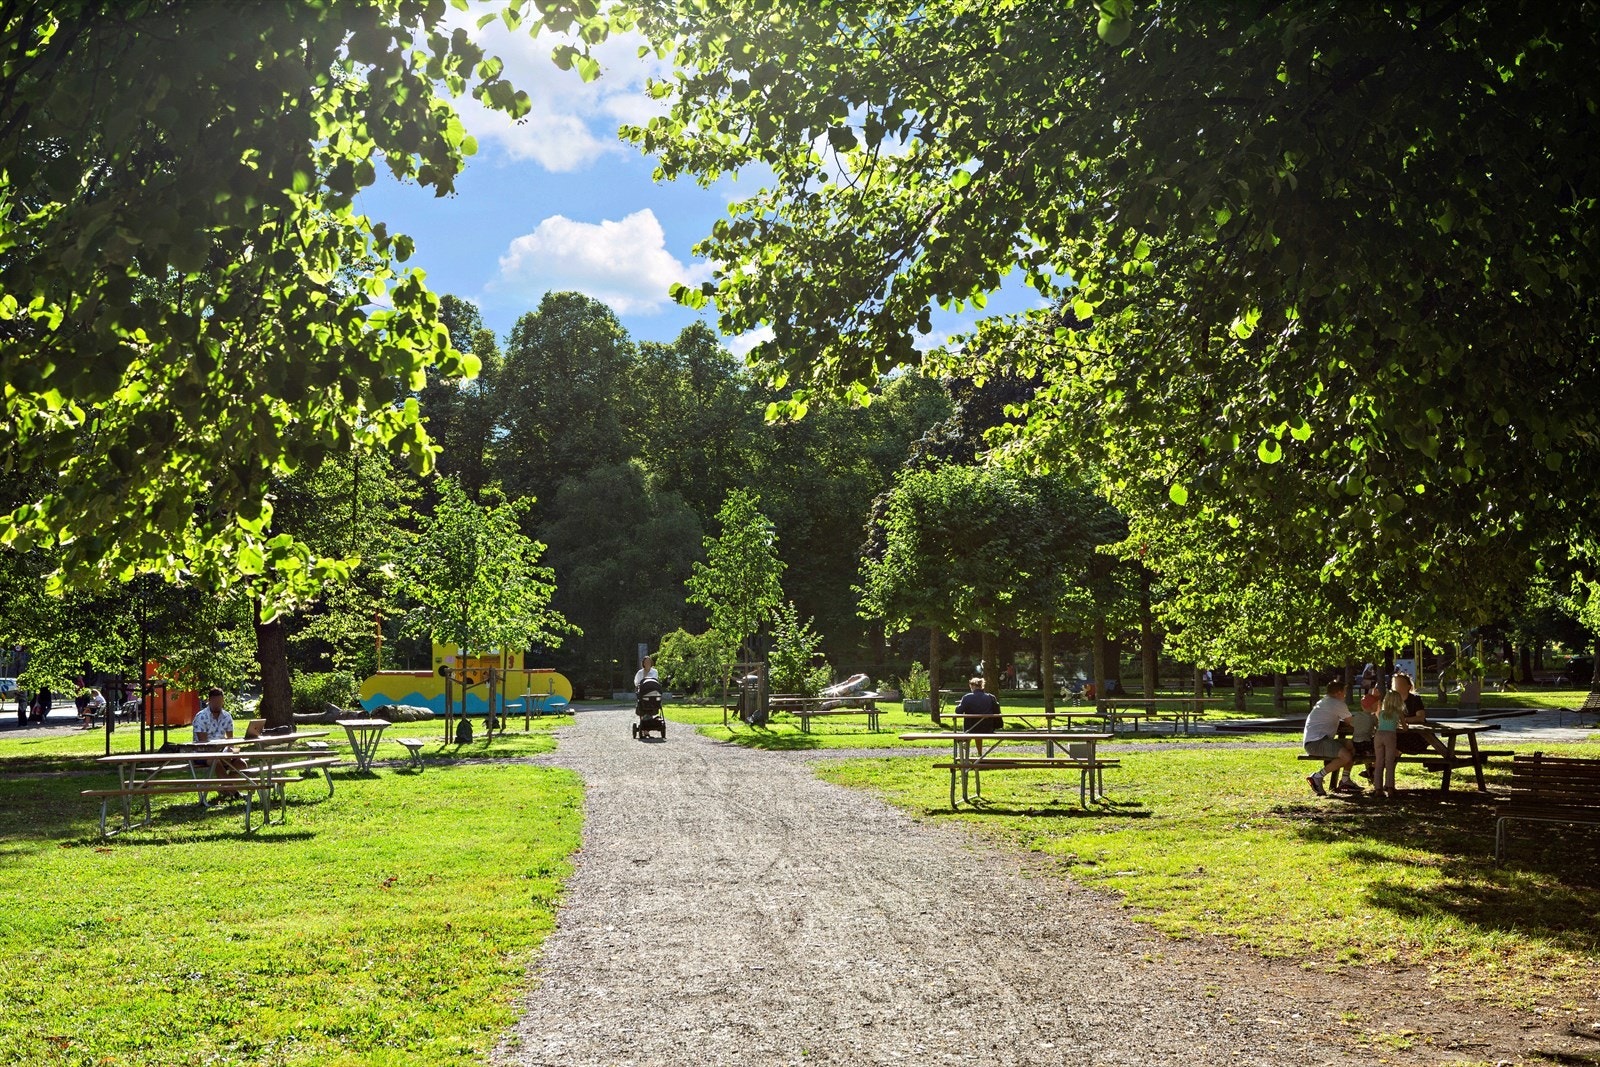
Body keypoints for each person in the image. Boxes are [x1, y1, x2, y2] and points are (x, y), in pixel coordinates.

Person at [1302, 678, 1353, 796]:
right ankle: (1317, 777)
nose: (1345, 695)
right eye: (1344, 692)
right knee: (1346, 756)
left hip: (1317, 741)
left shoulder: (1324, 701)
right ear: (1339, 693)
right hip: (1316, 743)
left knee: (1352, 745)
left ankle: (1345, 781)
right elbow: (1352, 722)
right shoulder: (1336, 703)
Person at [192, 687, 241, 799]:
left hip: (221, 752)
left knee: (241, 763)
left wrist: (230, 750)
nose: (217, 704)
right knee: (215, 760)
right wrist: (221, 754)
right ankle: (234, 792)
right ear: (209, 701)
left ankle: (224, 788)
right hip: (201, 753)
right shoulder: (201, 717)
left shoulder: (227, 716)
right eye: (214, 701)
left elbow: (230, 740)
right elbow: (203, 743)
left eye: (219, 701)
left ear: (223, 701)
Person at [1337, 684, 1377, 791]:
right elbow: (1378, 727)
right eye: (1376, 705)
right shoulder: (1373, 718)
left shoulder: (1358, 716)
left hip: (1355, 743)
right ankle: (1372, 771)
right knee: (1378, 747)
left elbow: (1352, 724)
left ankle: (1369, 771)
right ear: (1372, 707)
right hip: (1366, 744)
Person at [1374, 683, 1404, 798]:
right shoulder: (1398, 713)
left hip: (1378, 736)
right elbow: (1405, 728)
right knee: (1389, 762)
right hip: (1390, 736)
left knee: (1379, 762)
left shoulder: (1382, 713)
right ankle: (1390, 787)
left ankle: (1378, 788)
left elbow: (1379, 720)